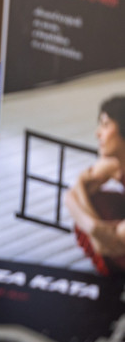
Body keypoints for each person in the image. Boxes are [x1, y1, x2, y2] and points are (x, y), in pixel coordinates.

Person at [65, 95, 125, 274]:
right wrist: (93, 227)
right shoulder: (114, 164)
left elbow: (110, 244)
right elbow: (71, 195)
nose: (97, 133)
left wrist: (99, 235)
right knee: (92, 198)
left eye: (105, 125)